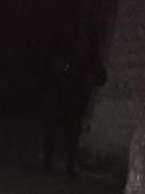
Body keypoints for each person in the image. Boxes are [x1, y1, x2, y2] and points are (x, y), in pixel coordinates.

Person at [41, 34, 107, 176]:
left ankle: (70, 165)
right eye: (79, 41)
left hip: (76, 102)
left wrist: (89, 79)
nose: (81, 44)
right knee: (51, 131)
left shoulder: (91, 58)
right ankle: (47, 161)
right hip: (59, 99)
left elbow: (101, 77)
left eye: (84, 42)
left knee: (72, 134)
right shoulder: (64, 53)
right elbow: (51, 70)